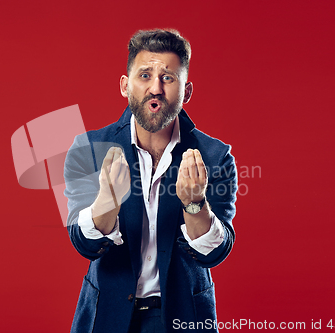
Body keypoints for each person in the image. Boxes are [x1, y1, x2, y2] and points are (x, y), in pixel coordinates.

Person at [64, 29, 237, 333]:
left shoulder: (215, 156)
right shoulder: (88, 150)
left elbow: (215, 252)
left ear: (187, 91)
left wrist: (195, 204)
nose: (155, 88)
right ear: (124, 85)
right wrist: (107, 201)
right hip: (108, 316)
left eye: (168, 78)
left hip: (184, 316)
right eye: (145, 75)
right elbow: (84, 244)